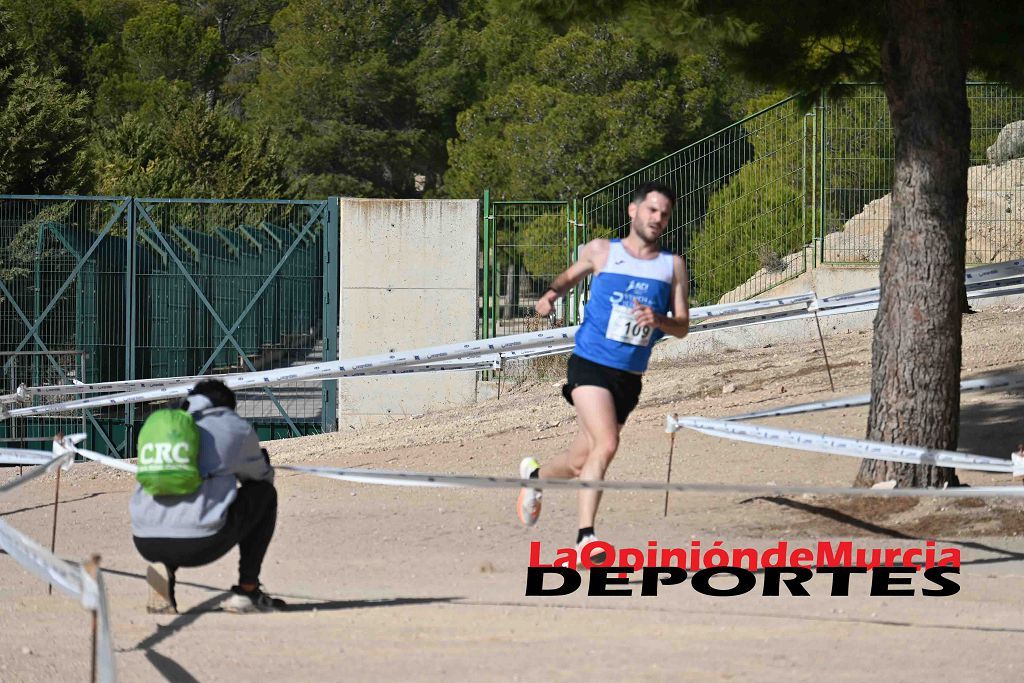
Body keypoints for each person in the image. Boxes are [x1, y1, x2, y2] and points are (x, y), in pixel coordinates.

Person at [516, 182, 690, 562]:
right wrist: (549, 296)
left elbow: (682, 326)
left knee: (582, 461)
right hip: (590, 363)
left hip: (628, 377)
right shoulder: (602, 251)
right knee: (607, 445)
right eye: (652, 210)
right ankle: (586, 537)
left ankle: (534, 479)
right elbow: (570, 276)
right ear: (633, 211)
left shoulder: (671, 265)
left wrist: (659, 319)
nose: (658, 218)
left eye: (664, 213)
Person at [130, 379, 285, 614]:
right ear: (228, 405)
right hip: (199, 543)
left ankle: (165, 571)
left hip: (145, 539)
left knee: (177, 503)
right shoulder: (233, 426)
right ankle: (247, 591)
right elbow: (260, 477)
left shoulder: (163, 422)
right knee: (264, 495)